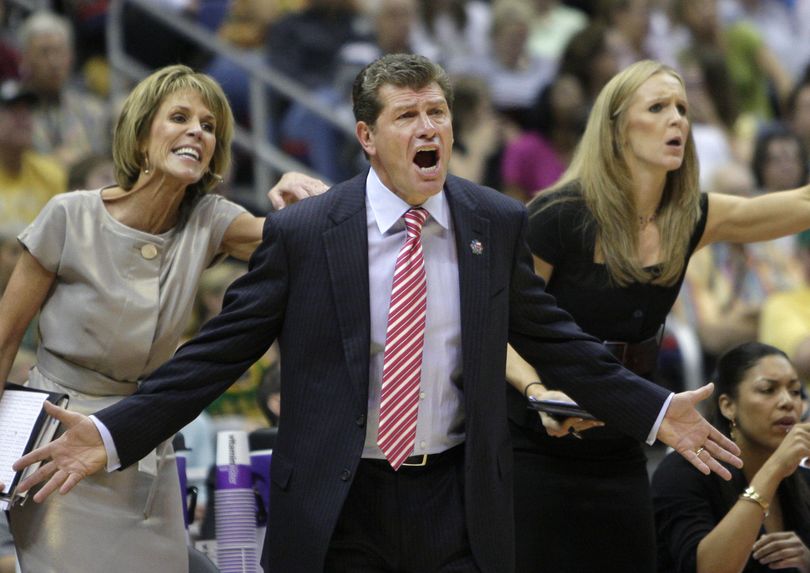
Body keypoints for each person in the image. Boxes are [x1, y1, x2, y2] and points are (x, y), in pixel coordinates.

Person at [13, 54, 740, 573]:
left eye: (438, 113)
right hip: (341, 501)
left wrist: (654, 410)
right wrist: (110, 434)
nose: (429, 128)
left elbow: (557, 338)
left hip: (457, 496)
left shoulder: (495, 221)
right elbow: (215, 358)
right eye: (407, 116)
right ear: (367, 137)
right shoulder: (306, 234)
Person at [0, 64, 325, 573]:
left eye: (209, 125)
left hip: (145, 440)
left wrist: (295, 194)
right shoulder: (70, 215)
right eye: (179, 117)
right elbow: (4, 339)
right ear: (143, 134)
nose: (198, 130)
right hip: (59, 445)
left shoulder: (210, 219)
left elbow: (303, 239)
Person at [504, 59, 810, 573]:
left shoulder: (691, 217)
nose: (678, 121)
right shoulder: (556, 217)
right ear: (618, 127)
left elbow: (801, 202)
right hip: (535, 446)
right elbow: (497, 326)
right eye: (658, 107)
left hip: (623, 440)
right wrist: (538, 392)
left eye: (683, 109)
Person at [653, 342, 810, 573]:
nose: (788, 402)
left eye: (796, 391)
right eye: (768, 390)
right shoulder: (684, 472)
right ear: (728, 406)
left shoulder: (802, 472)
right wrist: (773, 469)